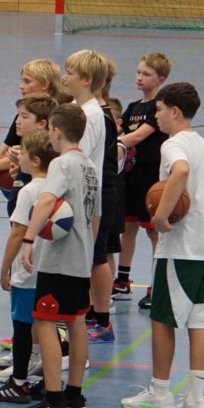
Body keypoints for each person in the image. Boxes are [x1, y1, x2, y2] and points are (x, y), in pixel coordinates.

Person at [121, 82, 204, 408]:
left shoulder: (173, 144)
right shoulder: (203, 145)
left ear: (175, 111)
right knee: (200, 323)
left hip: (182, 248)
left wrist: (161, 215)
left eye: (160, 110)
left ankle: (160, 394)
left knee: (162, 319)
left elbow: (180, 172)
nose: (157, 115)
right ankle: (196, 399)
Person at [15, 106, 99, 408]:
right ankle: (74, 396)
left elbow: (47, 200)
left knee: (45, 322)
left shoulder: (61, 163)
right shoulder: (90, 166)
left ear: (57, 131)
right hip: (82, 257)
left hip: (60, 260)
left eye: (50, 128)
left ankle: (53, 402)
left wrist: (29, 238)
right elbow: (96, 216)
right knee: (77, 323)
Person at [0, 129, 58, 405]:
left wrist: (4, 269)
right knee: (47, 326)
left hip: (28, 270)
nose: (19, 157)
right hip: (51, 267)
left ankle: (18, 383)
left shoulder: (30, 191)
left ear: (36, 160)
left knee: (22, 326)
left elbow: (18, 232)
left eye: (24, 153)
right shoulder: (58, 185)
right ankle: (48, 382)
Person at [118, 53, 171, 304]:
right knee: (127, 229)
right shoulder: (133, 107)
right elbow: (118, 129)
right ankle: (122, 281)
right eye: (138, 72)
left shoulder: (157, 109)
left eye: (146, 74)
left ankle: (157, 285)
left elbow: (138, 136)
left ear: (161, 79)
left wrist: (113, 145)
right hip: (130, 177)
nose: (139, 77)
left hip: (151, 177)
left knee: (153, 233)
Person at [0, 59, 68, 206]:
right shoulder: (23, 114)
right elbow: (3, 149)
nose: (21, 86)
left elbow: (34, 154)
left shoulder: (58, 117)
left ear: (45, 84)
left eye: (27, 81)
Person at [86, 54, 124, 342]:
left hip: (101, 193)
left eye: (70, 72)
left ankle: (102, 320)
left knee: (98, 257)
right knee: (93, 257)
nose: (65, 77)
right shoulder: (91, 111)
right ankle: (91, 312)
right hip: (100, 191)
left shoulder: (99, 115)